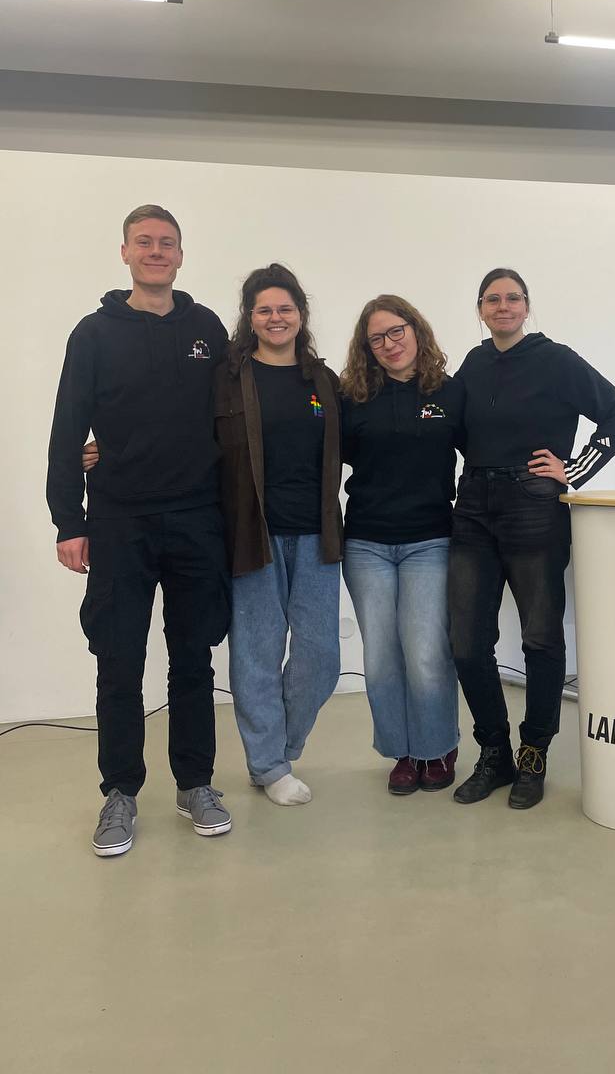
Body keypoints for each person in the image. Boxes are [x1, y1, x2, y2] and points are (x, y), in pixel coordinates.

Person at [47, 204, 233, 858]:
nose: (156, 252)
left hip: (196, 519)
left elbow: (232, 420)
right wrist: (69, 520)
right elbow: (68, 428)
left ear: (181, 255)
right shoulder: (94, 334)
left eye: (167, 243)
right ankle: (120, 792)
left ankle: (196, 783)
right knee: (119, 661)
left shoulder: (207, 329)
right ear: (125, 252)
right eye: (144, 242)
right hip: (120, 520)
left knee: (194, 659)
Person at [449, 268, 615, 809]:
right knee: (466, 642)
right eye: (492, 299)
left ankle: (533, 755)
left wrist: (573, 470)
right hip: (473, 508)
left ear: (527, 306)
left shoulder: (556, 360)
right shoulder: (473, 364)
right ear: (480, 309)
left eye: (513, 298)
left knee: (540, 638)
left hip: (533, 506)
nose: (503, 306)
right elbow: (455, 430)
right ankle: (494, 754)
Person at [215, 264, 343, 806]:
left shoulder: (323, 382)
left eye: (285, 308)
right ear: (250, 317)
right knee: (257, 654)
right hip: (253, 535)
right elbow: (181, 433)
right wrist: (111, 448)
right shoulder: (227, 378)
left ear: (301, 314)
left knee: (321, 656)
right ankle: (269, 765)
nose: (275, 318)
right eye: (264, 309)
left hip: (317, 535)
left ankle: (277, 751)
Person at [340, 295, 463, 794]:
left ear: (416, 330)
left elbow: (489, 450)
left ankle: (437, 747)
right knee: (380, 659)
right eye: (377, 338)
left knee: (426, 652)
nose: (389, 344)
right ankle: (403, 752)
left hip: (429, 541)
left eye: (397, 331)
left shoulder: (450, 394)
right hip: (366, 544)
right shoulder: (353, 398)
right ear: (366, 347)